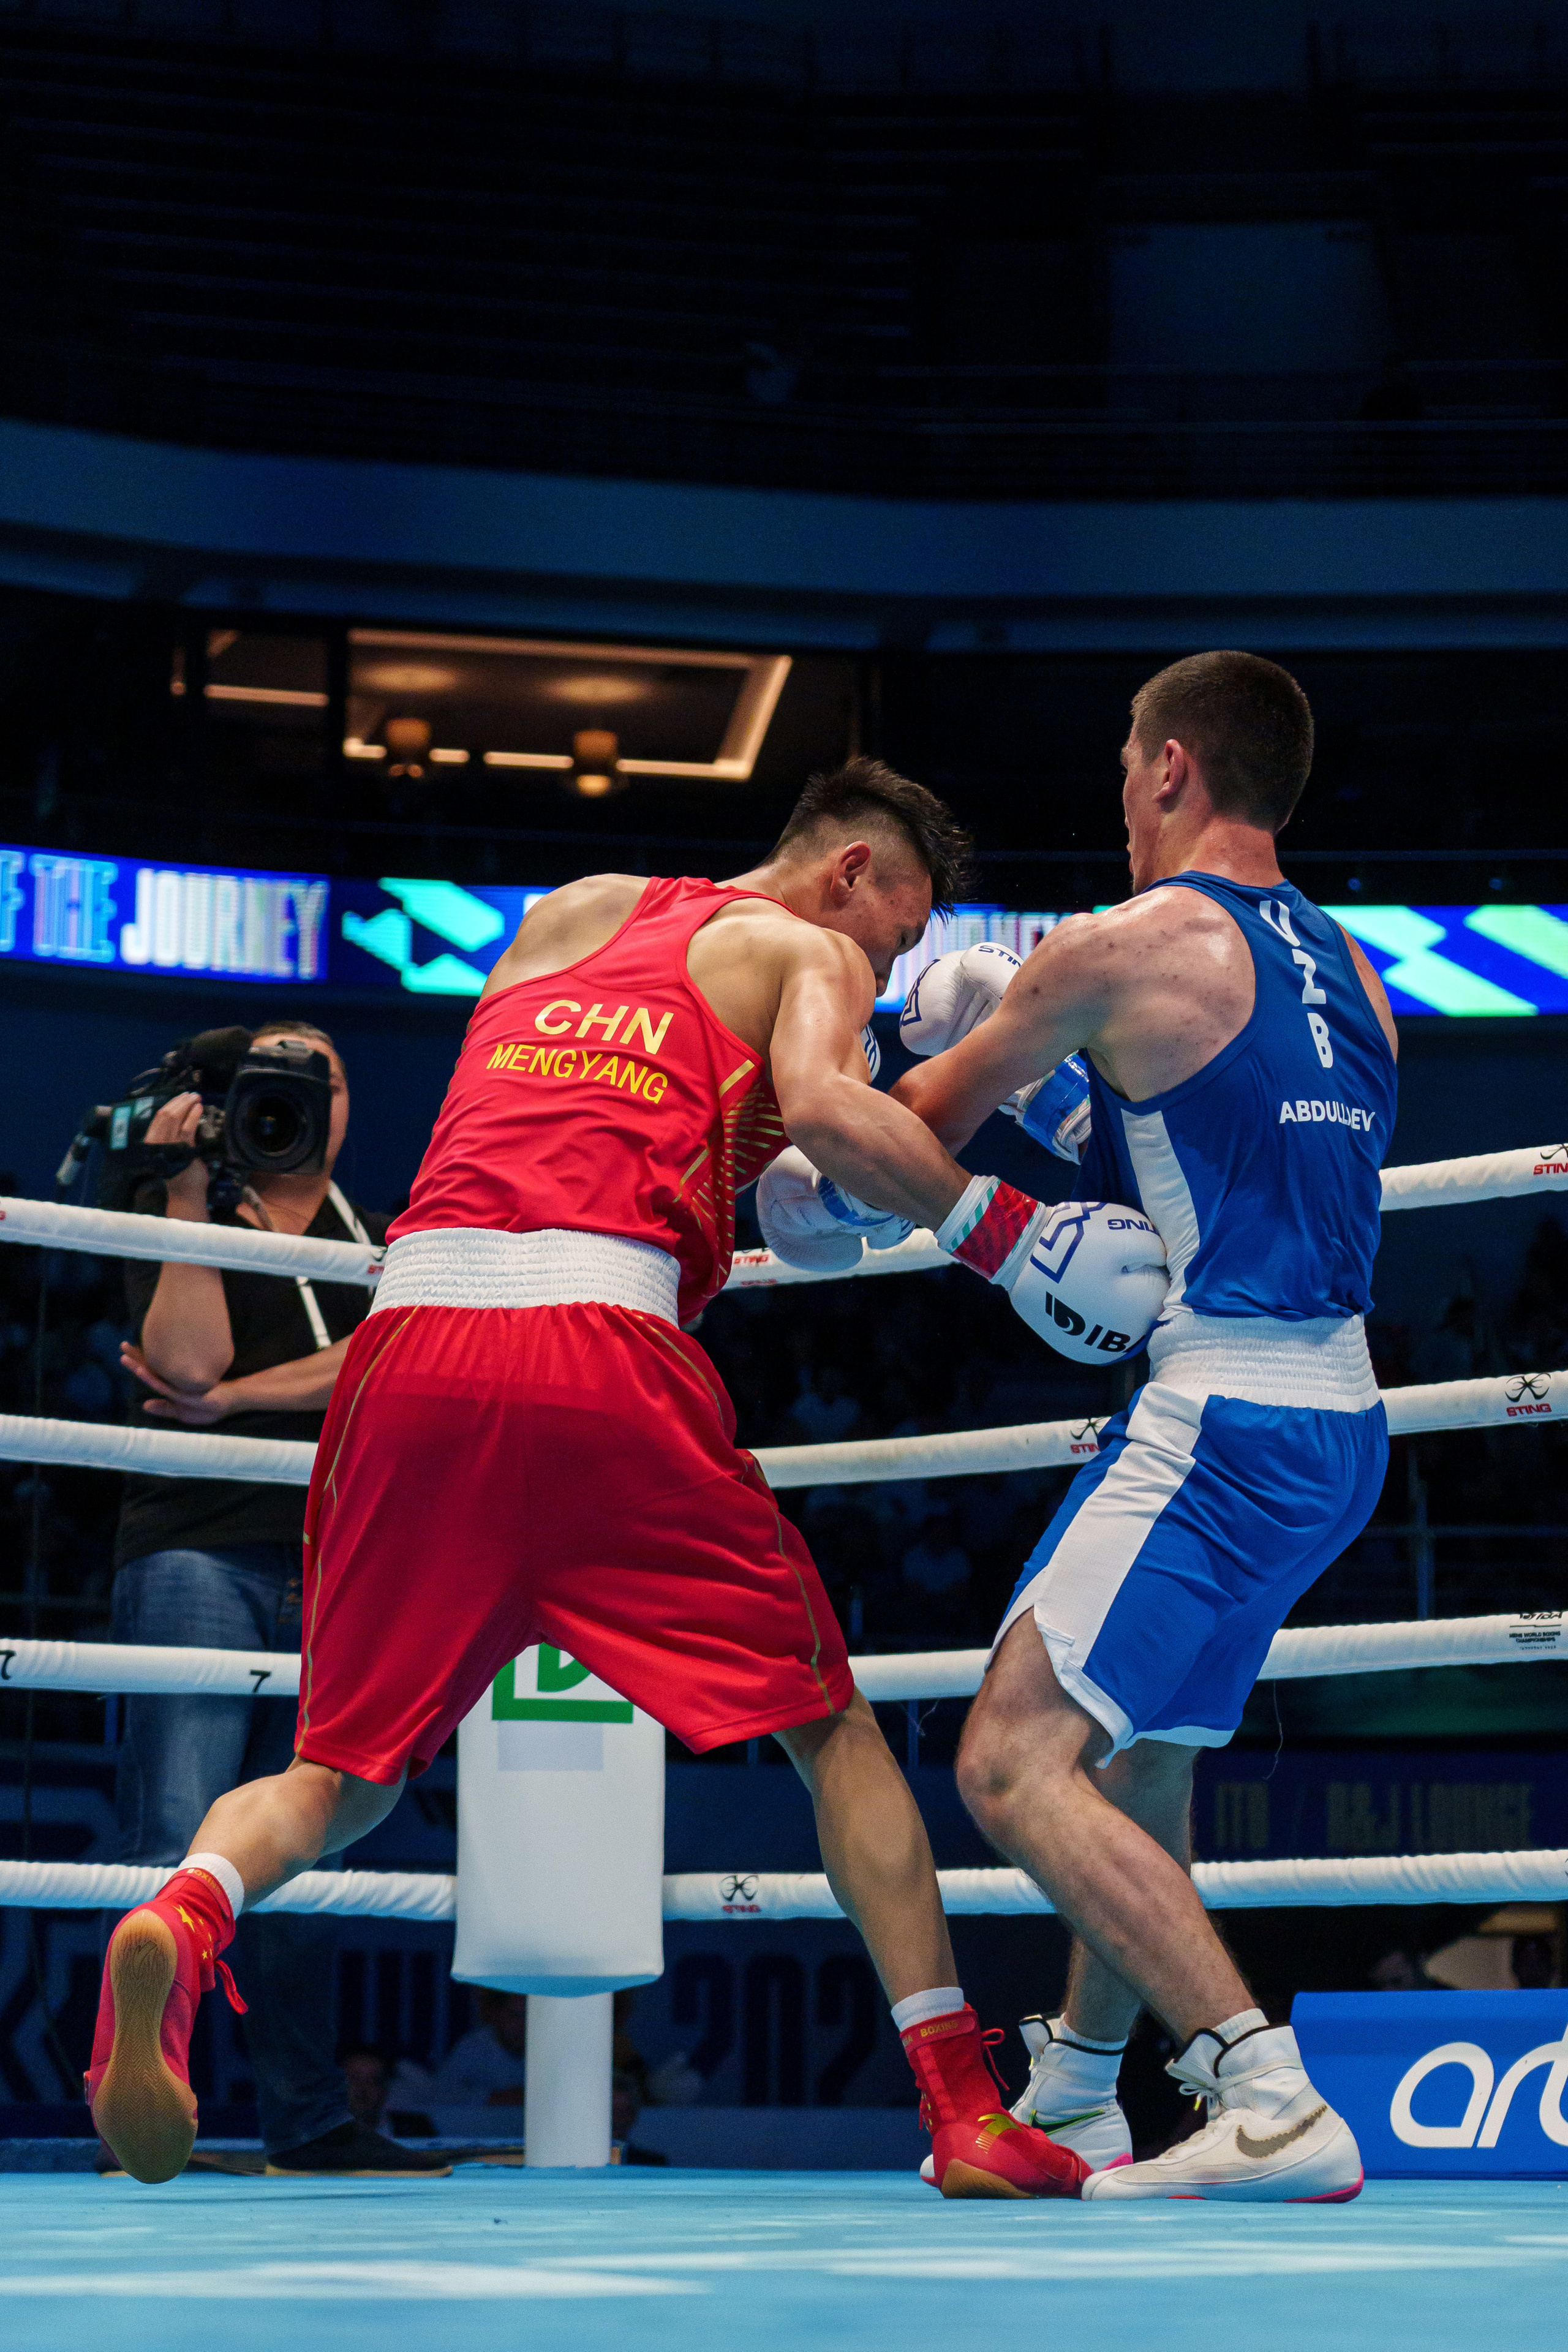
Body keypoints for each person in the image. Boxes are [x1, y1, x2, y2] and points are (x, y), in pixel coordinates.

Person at [86, 758, 1160, 2195]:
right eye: (897, 931)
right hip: (598, 1352)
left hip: (409, 1343)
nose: (889, 962)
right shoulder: (808, 952)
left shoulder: (565, 912)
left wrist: (791, 1163)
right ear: (848, 873)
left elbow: (582, 1118)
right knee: (833, 1733)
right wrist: (1006, 1234)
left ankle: (183, 1913)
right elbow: (824, 1118)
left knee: (334, 1773)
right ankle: (962, 2111)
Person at [891, 650, 1398, 2201]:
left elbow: (908, 1134)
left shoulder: (1116, 946)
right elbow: (1210, 1167)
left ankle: (1262, 2091)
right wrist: (1064, 1101)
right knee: (1144, 1758)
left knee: (1008, 1760)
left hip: (1222, 1418)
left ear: (1171, 765)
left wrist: (799, 1160)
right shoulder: (1354, 976)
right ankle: (1078, 2093)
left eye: (1126, 757)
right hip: (1337, 1425)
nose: (1118, 788)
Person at [105, 1017, 447, 2180]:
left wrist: (240, 1401)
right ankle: (133, 2109)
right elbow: (185, 1365)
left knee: (310, 1849)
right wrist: (185, 1193)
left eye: (323, 1077)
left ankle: (305, 2122)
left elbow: (391, 1353)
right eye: (274, 1075)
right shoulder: (185, 1207)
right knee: (175, 1830)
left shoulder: (382, 1235)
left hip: (340, 1555)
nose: (299, 1095)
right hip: (195, 1548)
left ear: (348, 1104)